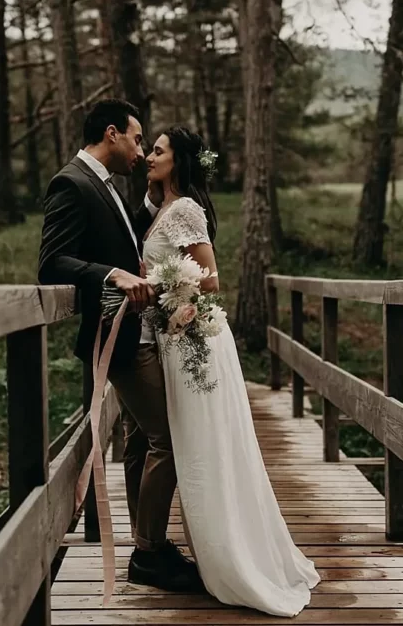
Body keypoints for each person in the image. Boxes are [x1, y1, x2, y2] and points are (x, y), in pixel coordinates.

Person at [140, 125, 320, 617]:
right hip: (175, 339)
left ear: (178, 161)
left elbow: (211, 278)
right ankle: (197, 548)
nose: (149, 156)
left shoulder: (185, 210)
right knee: (193, 444)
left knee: (204, 447)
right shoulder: (161, 208)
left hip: (191, 338)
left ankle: (233, 557)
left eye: (158, 151)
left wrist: (172, 296)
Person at [37, 99, 201, 592]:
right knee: (167, 438)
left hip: (133, 332)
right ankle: (150, 553)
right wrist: (110, 274)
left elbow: (130, 239)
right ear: (112, 133)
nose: (141, 150)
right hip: (117, 334)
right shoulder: (72, 182)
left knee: (137, 442)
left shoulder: (104, 185)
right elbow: (51, 264)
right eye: (136, 138)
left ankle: (146, 544)